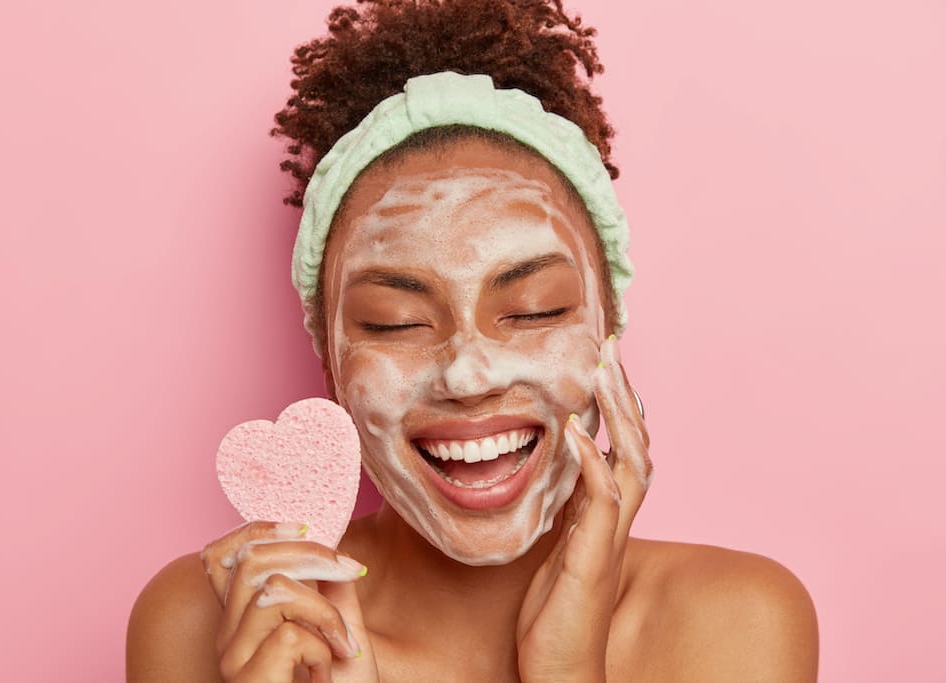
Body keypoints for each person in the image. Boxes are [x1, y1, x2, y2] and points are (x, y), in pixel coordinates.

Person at [127, 1, 819, 680]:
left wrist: (568, 671)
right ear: (331, 356)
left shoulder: (737, 624)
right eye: (395, 321)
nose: (467, 372)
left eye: (532, 309)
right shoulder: (210, 621)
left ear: (606, 327)